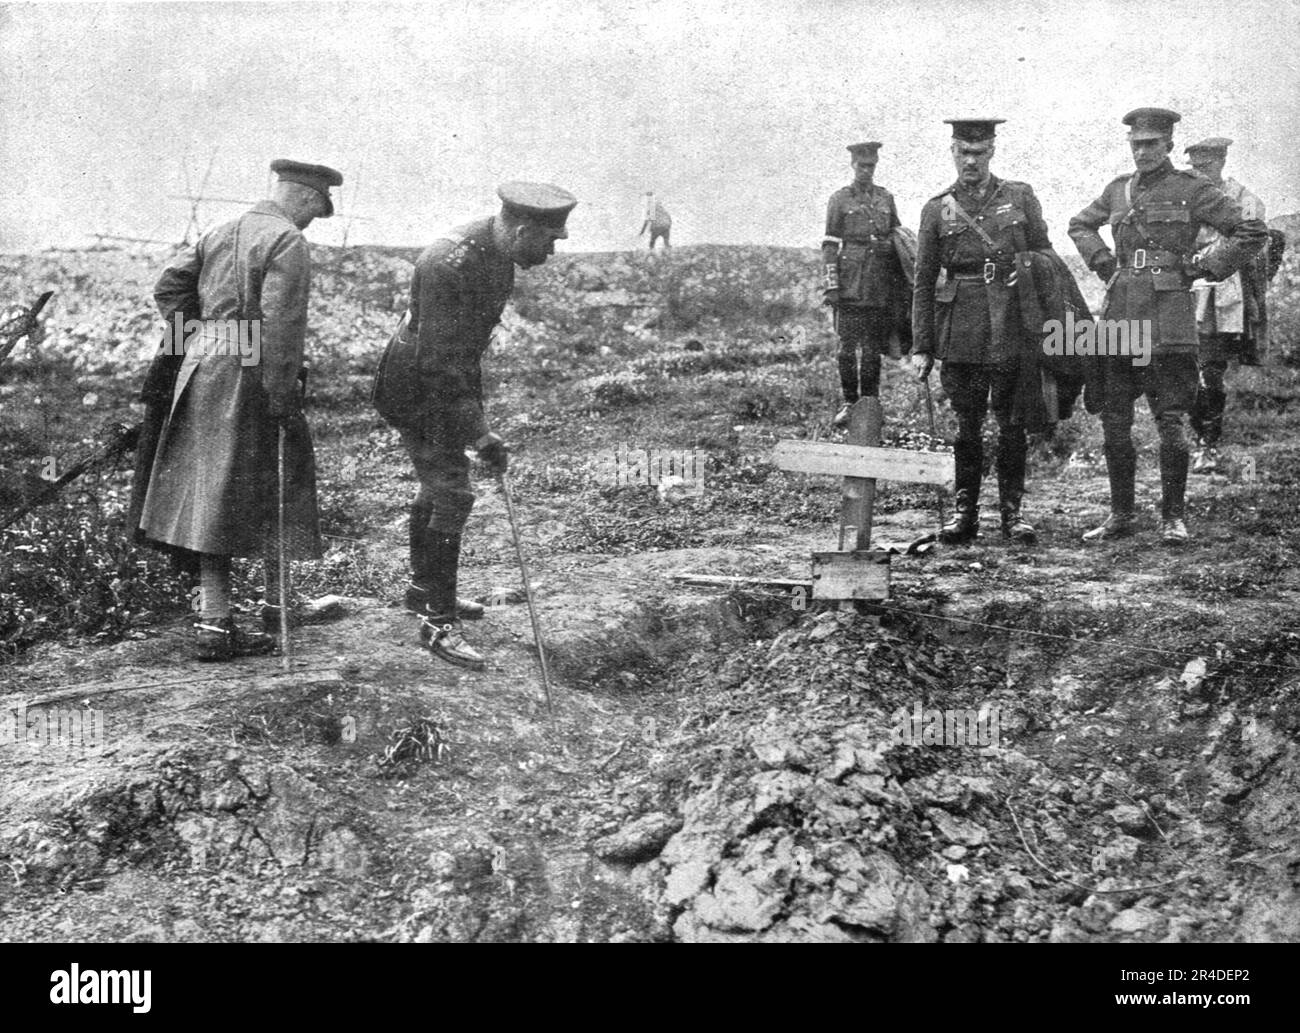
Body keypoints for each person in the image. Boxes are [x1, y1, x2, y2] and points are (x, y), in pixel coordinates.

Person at [136, 159, 341, 660]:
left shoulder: (220, 230)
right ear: (308, 199)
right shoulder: (287, 239)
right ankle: (236, 620)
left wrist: (200, 339)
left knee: (211, 488)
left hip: (201, 371)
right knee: (275, 479)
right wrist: (278, 392)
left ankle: (237, 613)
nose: (312, 221)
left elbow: (169, 286)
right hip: (247, 379)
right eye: (316, 210)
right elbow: (282, 326)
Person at [372, 181, 577, 671]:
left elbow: (468, 353)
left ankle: (423, 591)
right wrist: (478, 433)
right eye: (547, 242)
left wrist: (477, 424)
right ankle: (438, 623)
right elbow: (439, 364)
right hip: (415, 387)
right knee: (452, 494)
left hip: (441, 379)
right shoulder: (449, 263)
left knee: (437, 489)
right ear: (523, 229)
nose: (549, 253)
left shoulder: (499, 259)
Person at [1069, 109, 1266, 543]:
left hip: (1169, 317)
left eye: (1152, 144)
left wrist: (1205, 266)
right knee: (1115, 421)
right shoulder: (1117, 190)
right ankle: (1120, 515)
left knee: (1171, 419)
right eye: (1136, 144)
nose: (1143, 152)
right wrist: (1104, 264)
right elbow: (1080, 224)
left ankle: (1172, 517)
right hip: (1120, 315)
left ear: (1169, 146)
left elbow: (1251, 231)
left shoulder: (1193, 189)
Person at [910, 118, 1051, 545]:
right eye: (963, 152)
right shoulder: (939, 208)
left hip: (1011, 323)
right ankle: (964, 513)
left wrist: (1026, 269)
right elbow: (923, 279)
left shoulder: (1019, 197)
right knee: (966, 423)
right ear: (953, 152)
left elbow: (1044, 252)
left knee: (1012, 423)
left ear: (991, 151)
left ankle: (1012, 514)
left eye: (980, 152)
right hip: (962, 327)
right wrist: (922, 345)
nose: (971, 161)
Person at [1183, 137, 1268, 472]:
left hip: (1226, 294)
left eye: (1207, 166)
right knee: (1187, 368)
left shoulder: (1244, 199)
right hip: (1188, 289)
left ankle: (1209, 443)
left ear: (1221, 162)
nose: (1200, 172)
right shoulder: (1186, 195)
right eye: (1195, 167)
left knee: (1211, 369)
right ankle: (1197, 437)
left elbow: (1255, 238)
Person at [822, 141, 907, 428]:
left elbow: (897, 236)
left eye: (871, 166)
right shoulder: (840, 199)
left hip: (879, 283)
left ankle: (869, 403)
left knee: (873, 348)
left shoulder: (885, 198)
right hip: (850, 283)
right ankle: (849, 402)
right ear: (853, 165)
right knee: (847, 346)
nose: (866, 171)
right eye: (862, 166)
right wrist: (831, 285)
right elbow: (830, 244)